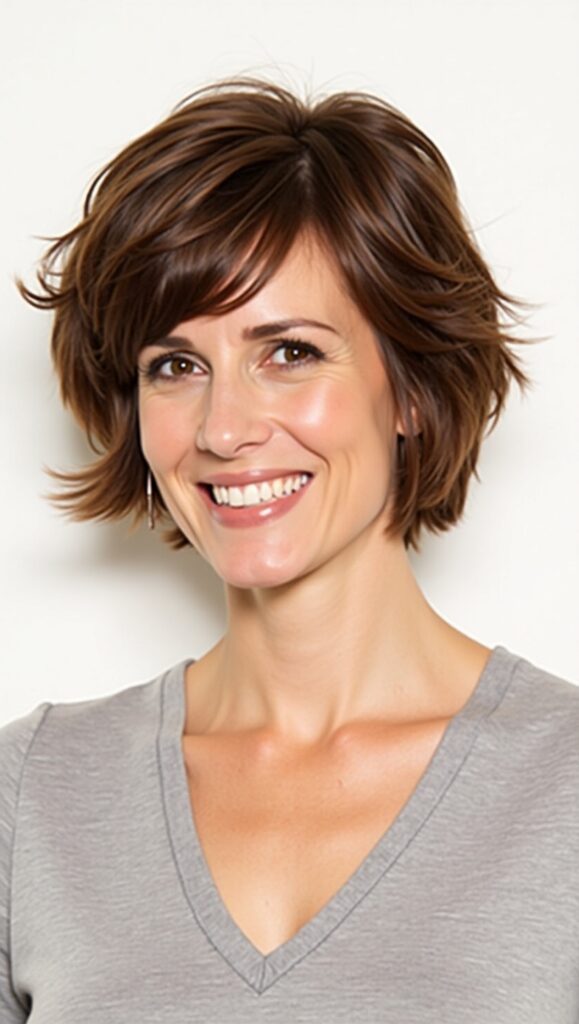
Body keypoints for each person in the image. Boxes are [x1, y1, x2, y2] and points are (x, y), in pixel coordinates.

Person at [1, 77, 578, 1023]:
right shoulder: (32, 798)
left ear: (411, 389)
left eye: (290, 352)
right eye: (176, 366)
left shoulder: (563, 785)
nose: (223, 429)